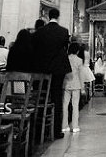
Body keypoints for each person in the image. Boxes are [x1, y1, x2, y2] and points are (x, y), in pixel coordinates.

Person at [33, 8, 71, 139]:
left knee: (41, 98)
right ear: (58, 16)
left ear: (49, 16)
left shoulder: (40, 32)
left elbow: (36, 49)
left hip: (42, 69)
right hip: (58, 69)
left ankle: (38, 131)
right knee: (57, 98)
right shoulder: (64, 32)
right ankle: (56, 130)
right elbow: (65, 48)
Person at [62, 42, 84, 133]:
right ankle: (75, 126)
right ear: (77, 51)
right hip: (76, 84)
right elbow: (81, 75)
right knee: (75, 105)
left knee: (65, 105)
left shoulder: (65, 59)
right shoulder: (79, 60)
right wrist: (82, 88)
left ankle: (64, 126)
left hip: (66, 83)